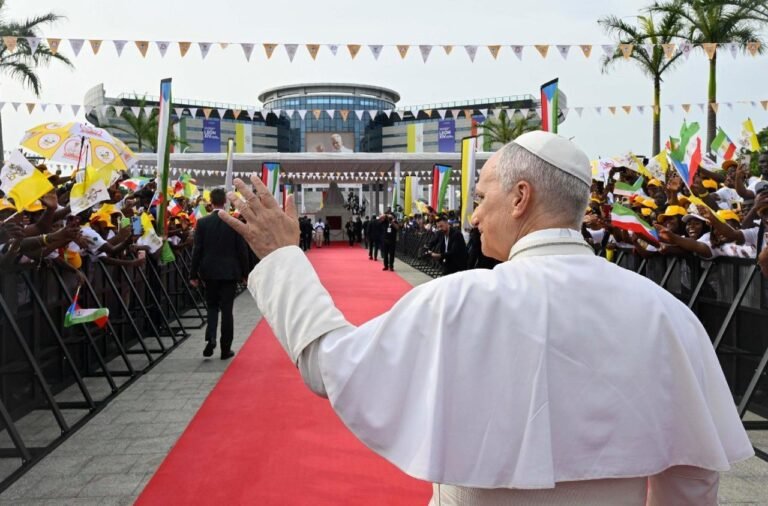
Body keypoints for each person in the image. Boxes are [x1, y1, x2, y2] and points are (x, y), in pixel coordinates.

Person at [219, 131, 752, 505]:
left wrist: (282, 259)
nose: (472, 216)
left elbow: (332, 365)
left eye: (480, 197)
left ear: (521, 197)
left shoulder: (459, 301)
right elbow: (691, 478)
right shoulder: (669, 316)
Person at [190, 188, 249, 360]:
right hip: (230, 272)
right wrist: (246, 273)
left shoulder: (202, 223)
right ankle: (225, 348)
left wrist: (193, 274)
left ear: (211, 201)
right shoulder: (234, 222)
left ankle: (211, 338)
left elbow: (197, 250)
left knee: (212, 306)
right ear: (225, 201)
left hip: (209, 272)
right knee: (227, 310)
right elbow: (242, 250)